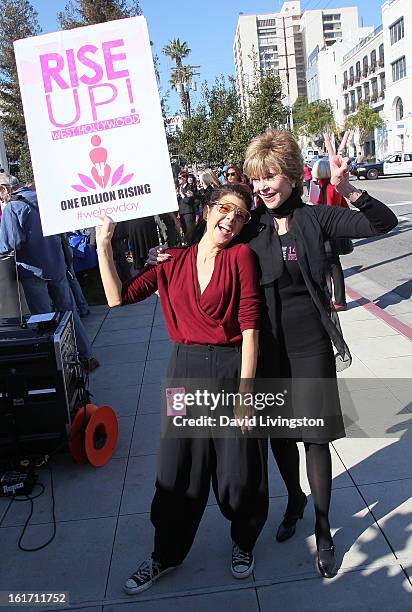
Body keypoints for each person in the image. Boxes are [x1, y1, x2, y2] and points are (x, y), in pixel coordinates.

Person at [96, 183, 268, 594]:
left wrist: (245, 395)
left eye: (240, 214)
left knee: (238, 470)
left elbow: (249, 328)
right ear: (208, 211)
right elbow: (118, 298)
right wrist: (104, 245)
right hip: (185, 371)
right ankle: (164, 554)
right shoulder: (171, 260)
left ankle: (243, 542)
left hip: (230, 370)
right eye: (225, 209)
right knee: (178, 470)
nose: (231, 219)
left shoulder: (241, 257)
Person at [241, 129, 397, 579]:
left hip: (309, 348)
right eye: (257, 179)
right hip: (266, 350)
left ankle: (324, 528)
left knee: (314, 438)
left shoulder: (317, 219)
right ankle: (294, 499)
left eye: (270, 176)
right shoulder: (249, 227)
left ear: (291, 176)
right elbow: (206, 249)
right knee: (280, 437)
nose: (264, 186)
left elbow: (382, 223)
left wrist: (348, 188)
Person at [0, 174, 99, 372]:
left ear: (5, 189)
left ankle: (58, 366)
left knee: (45, 320)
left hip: (34, 271)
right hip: (57, 265)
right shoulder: (43, 200)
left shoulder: (13, 207)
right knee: (69, 314)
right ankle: (87, 356)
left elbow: (9, 243)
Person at [311, 158, 349, 311]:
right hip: (336, 230)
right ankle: (339, 300)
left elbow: (314, 208)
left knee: (326, 264)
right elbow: (345, 207)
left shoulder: (318, 188)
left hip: (323, 232)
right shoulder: (335, 187)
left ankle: (332, 299)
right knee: (335, 265)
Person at [177, 171, 196, 239]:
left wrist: (182, 194)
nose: (178, 179)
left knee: (190, 233)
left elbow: (188, 201)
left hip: (188, 213)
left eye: (180, 178)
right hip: (182, 213)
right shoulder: (180, 188)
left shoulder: (189, 187)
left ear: (184, 178)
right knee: (185, 233)